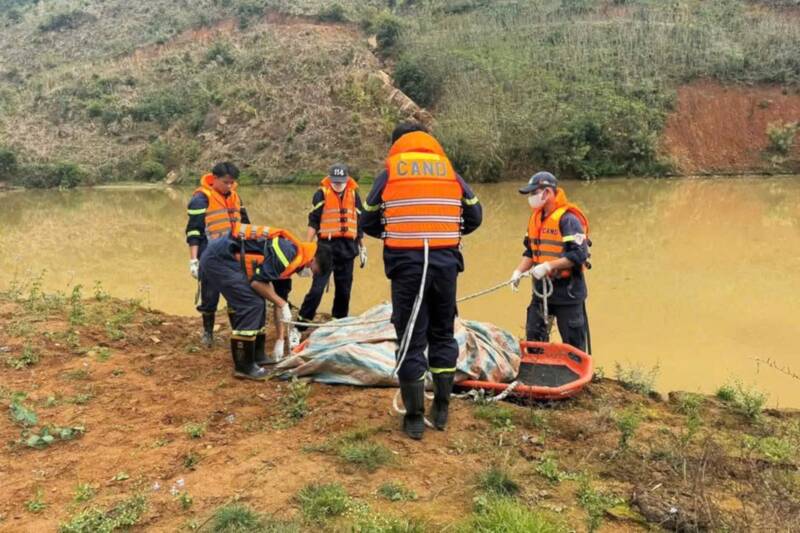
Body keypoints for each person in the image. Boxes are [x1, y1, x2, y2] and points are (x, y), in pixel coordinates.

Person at [361, 122, 482, 440]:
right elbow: (475, 215)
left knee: (412, 338)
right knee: (443, 335)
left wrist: (396, 233)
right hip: (444, 264)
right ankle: (441, 407)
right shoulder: (447, 171)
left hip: (407, 267)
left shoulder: (392, 170)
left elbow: (367, 218)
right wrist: (444, 234)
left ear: (396, 143)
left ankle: (414, 417)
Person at [199, 220, 332, 380]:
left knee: (259, 300)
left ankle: (258, 354)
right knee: (250, 303)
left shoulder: (294, 256)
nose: (309, 274)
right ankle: (244, 366)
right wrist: (283, 305)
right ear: (313, 260)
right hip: (219, 258)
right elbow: (258, 284)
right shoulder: (287, 254)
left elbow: (276, 294)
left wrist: (280, 340)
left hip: (227, 258)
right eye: (313, 270)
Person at [510, 171, 590, 351]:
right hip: (541, 291)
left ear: (547, 192)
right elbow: (531, 251)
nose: (531, 198)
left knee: (574, 347)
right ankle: (539, 372)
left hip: (567, 292)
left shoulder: (569, 220)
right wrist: (518, 272)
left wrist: (548, 266)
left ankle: (579, 377)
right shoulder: (536, 218)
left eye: (533, 193)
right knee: (534, 341)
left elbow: (578, 255)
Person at [185, 162, 251, 347]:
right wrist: (193, 260)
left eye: (232, 182)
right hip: (210, 255)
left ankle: (237, 331)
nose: (229, 186)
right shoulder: (200, 199)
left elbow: (246, 225)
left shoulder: (236, 197)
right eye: (225, 182)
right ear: (214, 179)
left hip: (234, 254)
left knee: (236, 293)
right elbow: (193, 232)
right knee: (210, 295)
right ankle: (207, 333)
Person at [297, 163, 367, 328]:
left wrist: (362, 247)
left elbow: (359, 223)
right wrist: (308, 248)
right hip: (325, 249)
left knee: (344, 291)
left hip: (348, 248)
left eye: (341, 181)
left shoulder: (354, 194)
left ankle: (338, 324)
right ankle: (300, 326)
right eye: (335, 181)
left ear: (347, 179)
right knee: (317, 289)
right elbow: (313, 221)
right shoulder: (321, 194)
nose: (338, 185)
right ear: (329, 179)